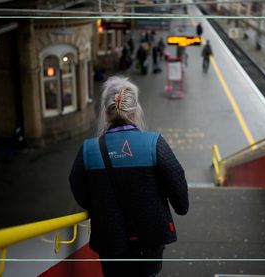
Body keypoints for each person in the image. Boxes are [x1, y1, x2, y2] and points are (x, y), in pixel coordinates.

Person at [69, 76, 189, 277]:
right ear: (135, 110)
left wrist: (100, 205)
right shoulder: (154, 143)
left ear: (106, 112)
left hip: (109, 239)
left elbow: (79, 190)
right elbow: (179, 192)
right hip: (149, 239)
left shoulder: (88, 150)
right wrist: (178, 205)